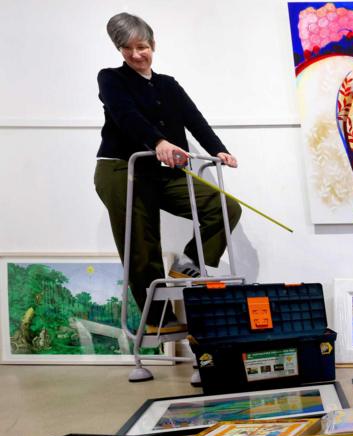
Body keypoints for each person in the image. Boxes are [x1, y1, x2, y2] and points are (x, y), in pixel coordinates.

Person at [93, 13, 242, 332]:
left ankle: (187, 264)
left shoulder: (168, 85)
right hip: (122, 170)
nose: (135, 55)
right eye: (126, 48)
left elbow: (194, 118)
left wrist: (219, 149)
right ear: (119, 50)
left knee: (225, 208)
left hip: (160, 172)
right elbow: (125, 115)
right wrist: (158, 141)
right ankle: (158, 321)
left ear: (153, 45)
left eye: (141, 46)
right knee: (142, 245)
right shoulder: (110, 79)